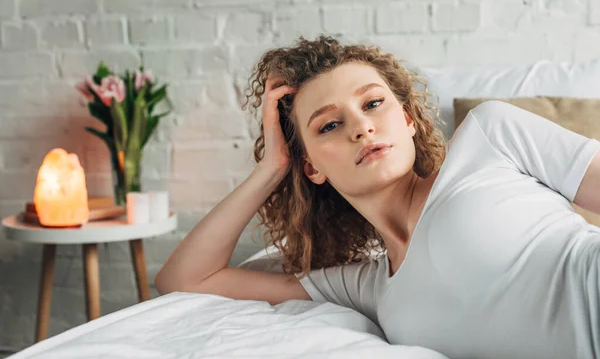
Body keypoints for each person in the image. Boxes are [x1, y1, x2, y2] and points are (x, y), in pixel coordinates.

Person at [154, 35, 600, 359]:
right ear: (311, 166)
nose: (361, 128)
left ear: (407, 119)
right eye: (329, 125)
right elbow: (187, 279)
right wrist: (272, 168)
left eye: (372, 104)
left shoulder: (490, 136)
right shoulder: (363, 285)